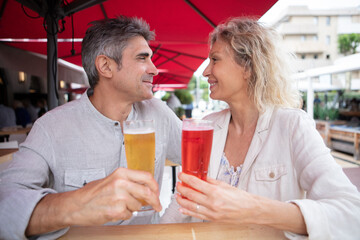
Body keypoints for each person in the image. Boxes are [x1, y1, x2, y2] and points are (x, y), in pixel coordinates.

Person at [161, 18, 360, 239]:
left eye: (215, 59)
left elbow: (351, 214)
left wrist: (253, 208)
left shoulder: (292, 126)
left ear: (248, 66)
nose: (205, 71)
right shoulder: (208, 126)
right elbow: (184, 198)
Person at [0, 16, 182, 239]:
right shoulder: (52, 127)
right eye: (142, 58)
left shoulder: (158, 112)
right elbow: (5, 202)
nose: (154, 69)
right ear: (105, 66)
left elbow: (206, 163)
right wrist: (75, 205)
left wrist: (170, 219)